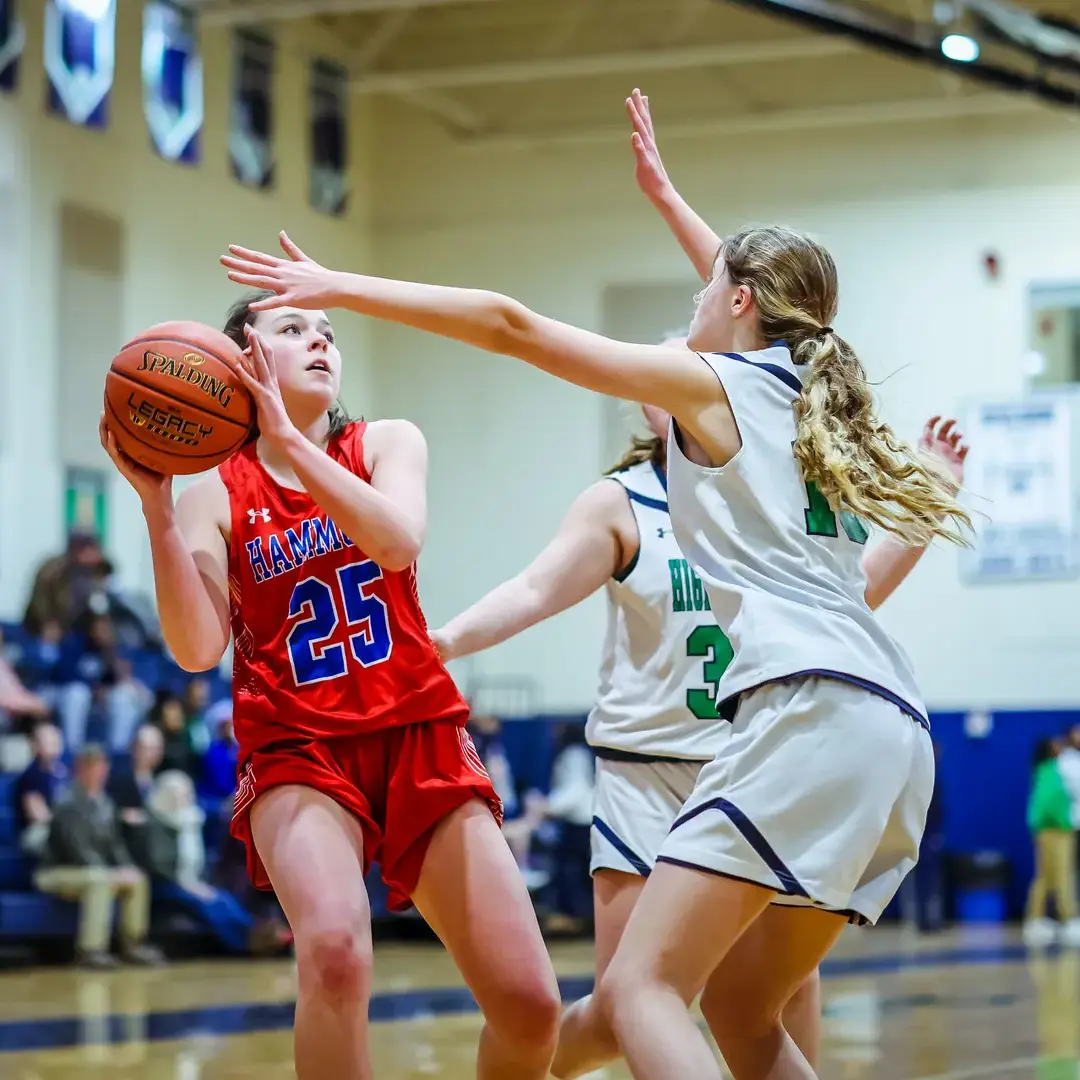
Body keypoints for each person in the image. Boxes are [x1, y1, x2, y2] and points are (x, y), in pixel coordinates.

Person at [221, 197, 970, 1080]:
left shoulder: (722, 385)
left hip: (795, 717)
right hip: (888, 728)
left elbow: (512, 323)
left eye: (708, 288)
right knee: (740, 1008)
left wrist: (339, 283)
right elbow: (772, 299)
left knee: (639, 993)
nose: (693, 302)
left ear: (737, 303)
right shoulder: (814, 414)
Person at [431, 362, 967, 1075]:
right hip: (646, 774)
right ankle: (537, 1062)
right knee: (631, 1004)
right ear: (650, 405)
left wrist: (927, 499)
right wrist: (443, 641)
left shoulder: (768, 495)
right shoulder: (621, 502)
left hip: (760, 754)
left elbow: (853, 595)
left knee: (772, 992)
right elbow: (535, 588)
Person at [98, 295, 560, 1080]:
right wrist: (157, 512)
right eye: (292, 330)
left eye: (328, 332)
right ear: (245, 361)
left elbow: (395, 540)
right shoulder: (218, 492)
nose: (319, 339)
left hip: (416, 729)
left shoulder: (385, 442)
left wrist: (288, 441)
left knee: (529, 1004)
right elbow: (196, 649)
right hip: (296, 745)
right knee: (338, 958)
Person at [34, 743, 163, 969]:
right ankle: (91, 950)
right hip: (56, 871)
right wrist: (111, 872)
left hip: (92, 869)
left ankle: (133, 945)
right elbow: (76, 848)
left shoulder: (106, 802)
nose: (100, 771)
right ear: (80, 768)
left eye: (102, 766)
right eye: (93, 766)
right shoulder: (67, 801)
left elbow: (115, 845)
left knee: (137, 879)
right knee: (100, 880)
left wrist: (125, 867)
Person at [1024, 737, 1080, 946]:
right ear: (1049, 749)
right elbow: (1049, 804)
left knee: (1046, 876)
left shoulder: (1045, 770)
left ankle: (1036, 917)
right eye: (1056, 745)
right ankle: (1068, 918)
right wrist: (1064, 822)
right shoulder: (1050, 770)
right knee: (1063, 875)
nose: (1060, 747)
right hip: (1056, 830)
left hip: (1047, 830)